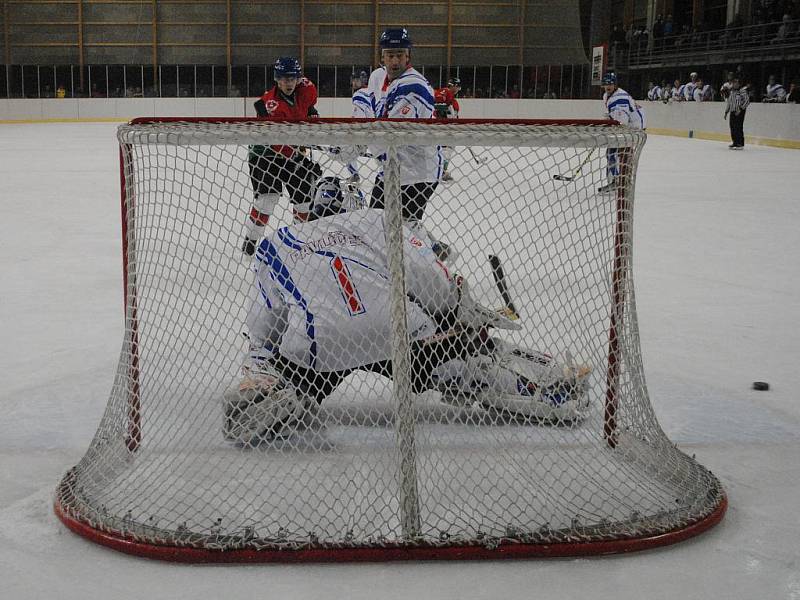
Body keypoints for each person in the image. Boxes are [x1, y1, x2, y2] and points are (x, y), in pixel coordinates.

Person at [222, 177, 591, 445]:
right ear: (353, 206)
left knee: (283, 360)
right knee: (454, 354)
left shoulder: (277, 243)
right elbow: (425, 275)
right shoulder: (375, 219)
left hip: (320, 345)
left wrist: (263, 357)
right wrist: (457, 313)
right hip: (395, 331)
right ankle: (542, 386)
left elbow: (264, 322)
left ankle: (274, 390)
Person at [242, 57, 323, 256]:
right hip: (265, 155)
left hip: (292, 152)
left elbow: (309, 105)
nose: (289, 83)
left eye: (292, 78)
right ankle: (251, 241)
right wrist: (299, 157)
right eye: (284, 79)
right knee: (267, 200)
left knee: (304, 200)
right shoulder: (269, 105)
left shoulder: (307, 88)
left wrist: (311, 111)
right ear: (277, 80)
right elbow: (277, 143)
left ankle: (299, 242)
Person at [598, 72, 645, 194]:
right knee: (614, 153)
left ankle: (618, 182)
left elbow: (621, 123)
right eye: (605, 84)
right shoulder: (607, 95)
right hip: (628, 125)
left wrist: (609, 125)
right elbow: (613, 115)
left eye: (610, 84)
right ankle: (619, 181)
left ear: (615, 84)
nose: (608, 86)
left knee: (613, 153)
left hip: (634, 128)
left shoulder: (620, 99)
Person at [433, 77, 462, 181]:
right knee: (447, 148)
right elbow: (443, 109)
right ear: (454, 85)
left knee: (442, 149)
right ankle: (442, 172)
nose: (458, 89)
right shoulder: (447, 94)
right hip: (444, 127)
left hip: (439, 126)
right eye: (458, 86)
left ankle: (439, 170)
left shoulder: (441, 92)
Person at [724, 77, 749, 149]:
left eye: (736, 83)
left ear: (739, 84)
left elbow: (747, 101)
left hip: (740, 111)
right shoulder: (732, 92)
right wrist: (726, 111)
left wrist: (741, 109)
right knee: (732, 127)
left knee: (738, 127)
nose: (735, 84)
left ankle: (740, 143)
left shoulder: (742, 91)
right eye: (734, 83)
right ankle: (735, 142)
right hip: (732, 111)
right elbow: (729, 102)